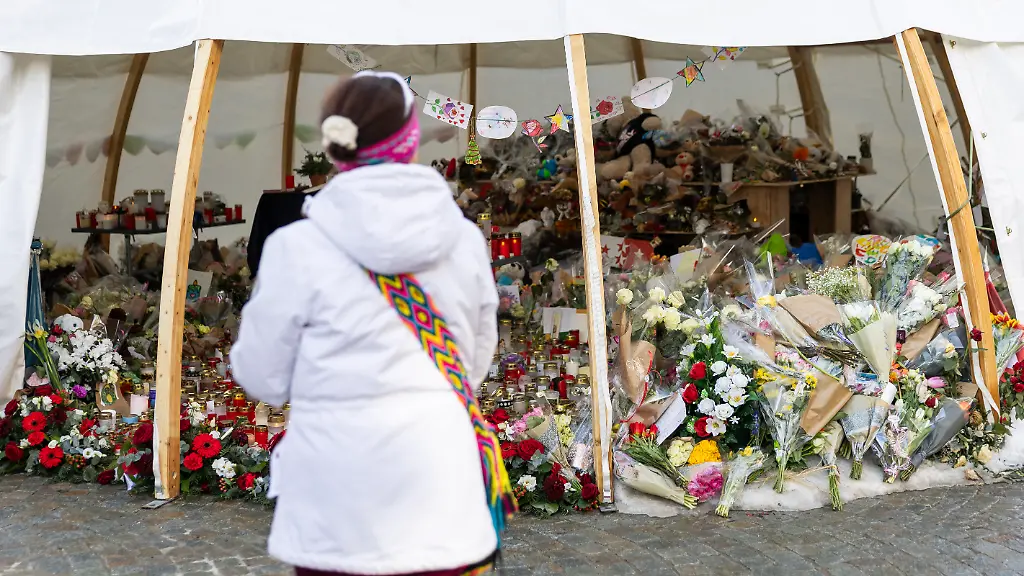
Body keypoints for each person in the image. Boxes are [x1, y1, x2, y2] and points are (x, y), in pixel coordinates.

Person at [230, 71, 514, 576]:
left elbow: (262, 378)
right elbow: (474, 359)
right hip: (439, 487)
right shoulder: (464, 240)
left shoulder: (295, 248)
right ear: (410, 141)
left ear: (337, 147)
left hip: (335, 503)